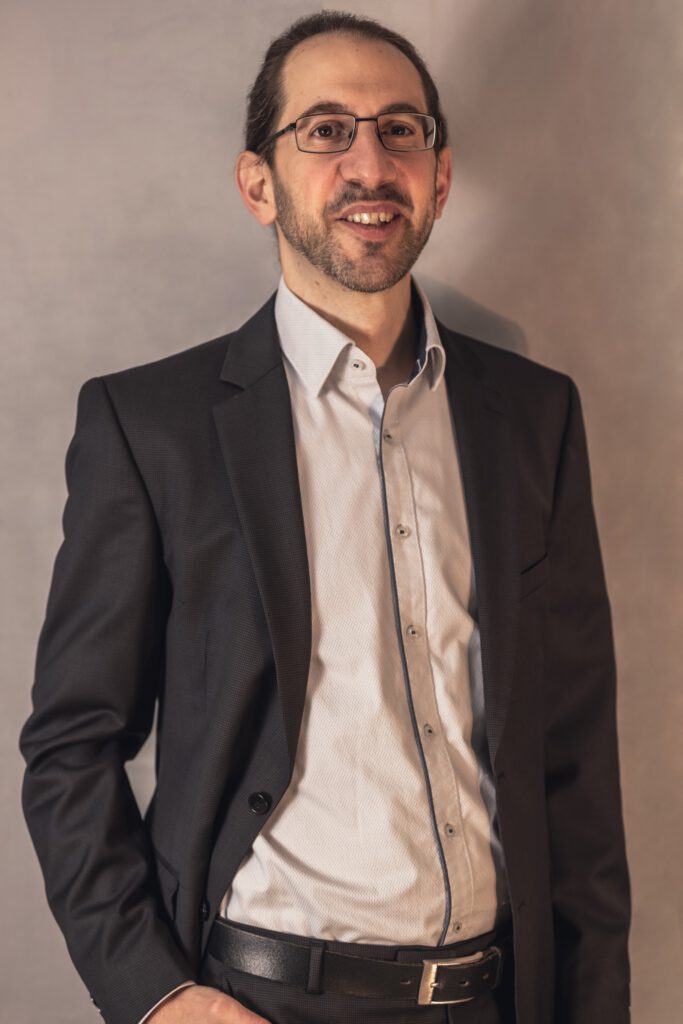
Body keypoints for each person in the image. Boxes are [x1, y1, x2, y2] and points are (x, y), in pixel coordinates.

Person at [19, 10, 631, 1024]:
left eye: (400, 130)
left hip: (494, 999)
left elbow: (573, 763)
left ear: (439, 175)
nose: (369, 163)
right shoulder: (153, 428)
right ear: (258, 184)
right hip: (263, 1000)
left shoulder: (532, 417)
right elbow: (71, 747)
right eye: (325, 130)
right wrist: (157, 996)